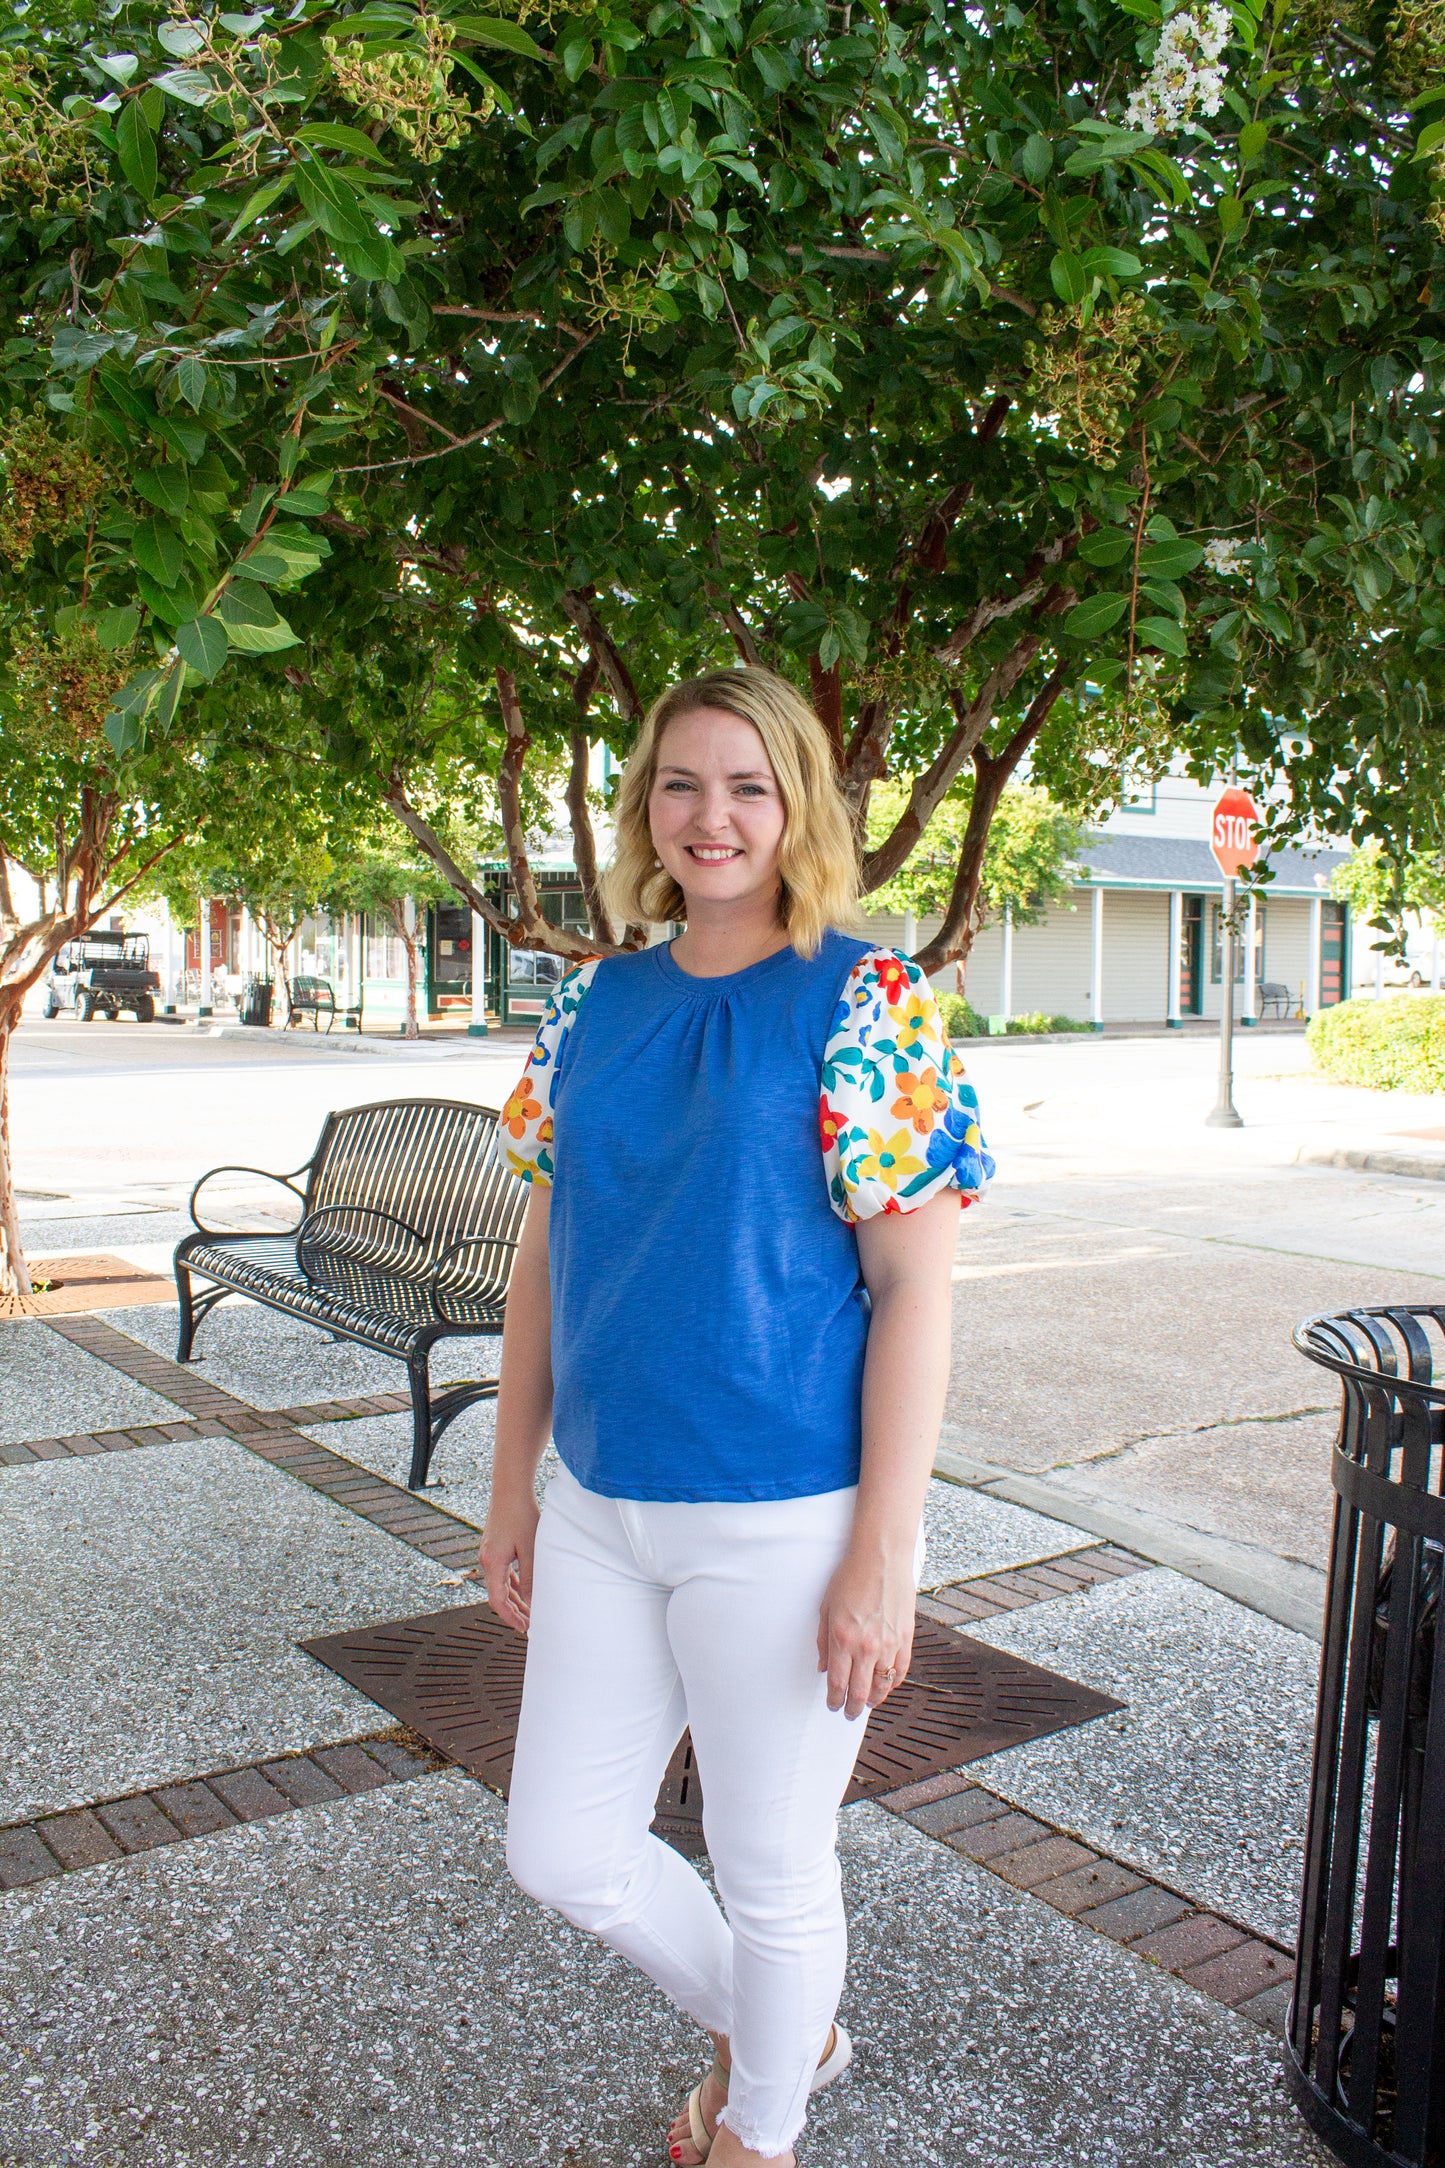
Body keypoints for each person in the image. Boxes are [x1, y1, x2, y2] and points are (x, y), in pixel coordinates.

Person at [481, 666, 992, 2168]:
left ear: (798, 808)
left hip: (778, 1517)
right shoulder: (591, 998)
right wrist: (510, 1488)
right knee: (560, 1850)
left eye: (748, 786)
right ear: (645, 804)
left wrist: (880, 1557)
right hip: (599, 1502)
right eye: (681, 784)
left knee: (771, 1868)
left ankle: (762, 2130)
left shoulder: (868, 998)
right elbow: (539, 1262)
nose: (712, 816)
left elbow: (914, 1293)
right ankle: (792, 2029)